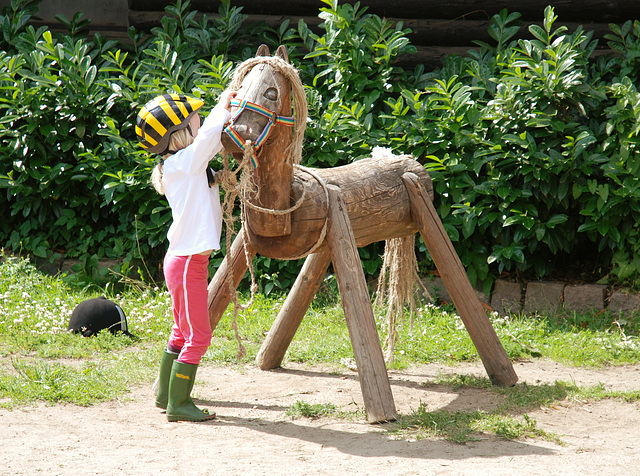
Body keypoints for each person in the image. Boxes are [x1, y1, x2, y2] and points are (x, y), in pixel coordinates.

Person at [136, 90, 236, 422]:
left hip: (183, 261)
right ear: (179, 133)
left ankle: (165, 396)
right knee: (199, 336)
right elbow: (210, 137)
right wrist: (224, 105)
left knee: (182, 331)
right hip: (189, 262)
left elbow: (211, 142)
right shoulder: (184, 162)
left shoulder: (183, 165)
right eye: (194, 118)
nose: (200, 121)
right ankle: (179, 404)